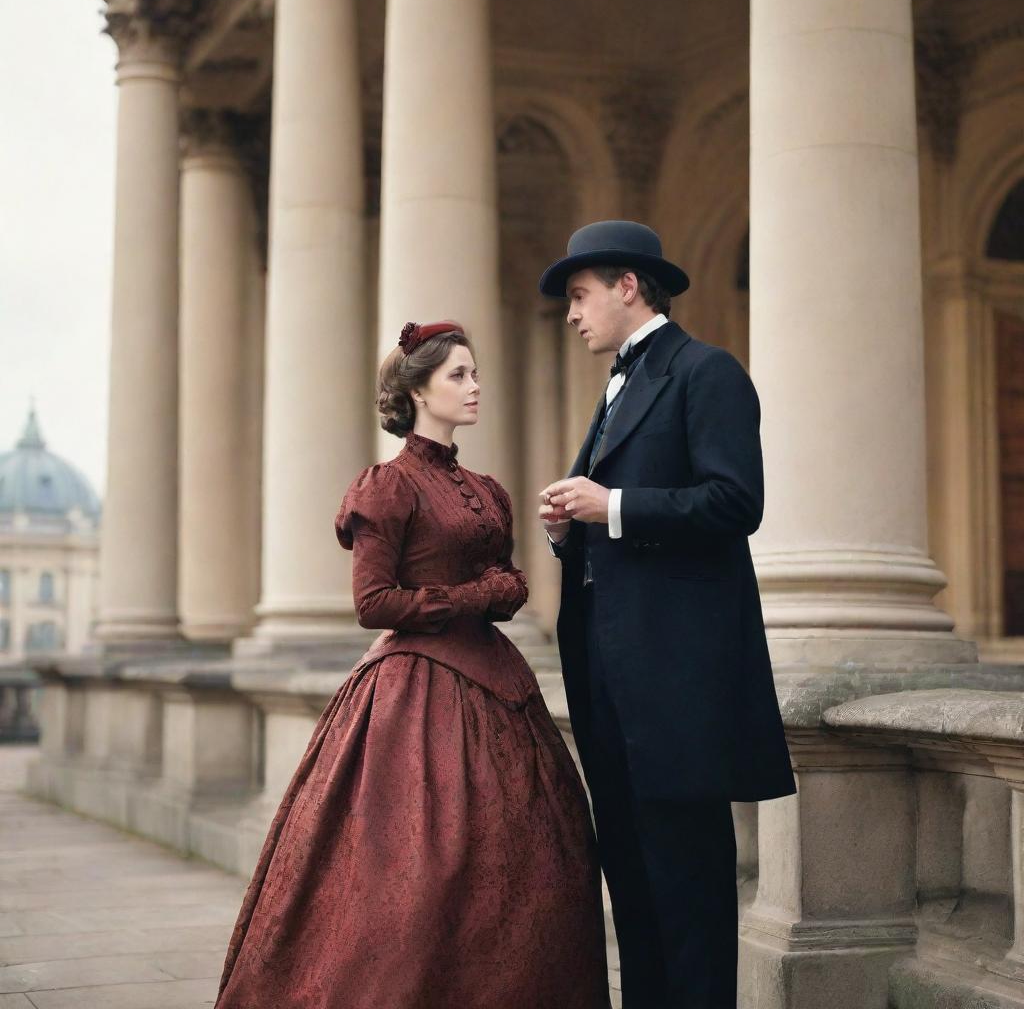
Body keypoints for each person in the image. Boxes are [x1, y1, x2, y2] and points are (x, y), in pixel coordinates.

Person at [216, 320, 610, 1009]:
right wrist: (477, 595)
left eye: (475, 371)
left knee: (542, 858)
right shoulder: (387, 487)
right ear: (417, 390)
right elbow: (373, 602)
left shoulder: (488, 490)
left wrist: (497, 589)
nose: (475, 385)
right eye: (458, 374)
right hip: (416, 689)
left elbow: (512, 583)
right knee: (422, 873)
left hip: (499, 686)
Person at [536, 221, 796, 1009]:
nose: (572, 314)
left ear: (628, 286)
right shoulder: (616, 385)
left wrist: (610, 504)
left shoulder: (705, 372)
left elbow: (735, 501)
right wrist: (569, 532)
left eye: (580, 296)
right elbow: (624, 533)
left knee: (688, 886)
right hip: (611, 679)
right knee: (634, 881)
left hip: (677, 684)